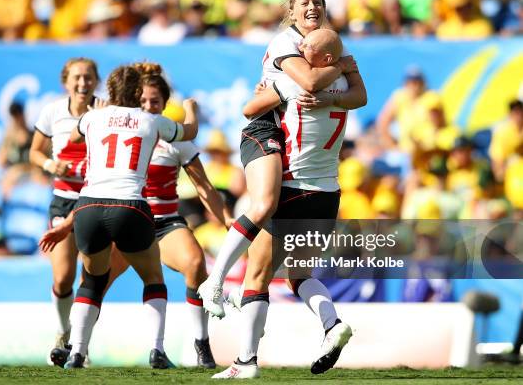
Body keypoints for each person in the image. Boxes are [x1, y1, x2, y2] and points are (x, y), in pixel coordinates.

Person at [40, 62, 231, 369]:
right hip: (133, 212)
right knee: (131, 280)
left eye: (155, 101)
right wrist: (192, 108)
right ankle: (101, 347)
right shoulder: (154, 125)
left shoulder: (98, 119)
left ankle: (200, 345)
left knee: (193, 264)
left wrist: (227, 221)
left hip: (151, 220)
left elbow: (204, 187)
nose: (148, 105)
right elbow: (190, 129)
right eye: (144, 100)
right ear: (136, 96)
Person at [198, 0, 366, 320]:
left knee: (277, 269)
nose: (312, 8)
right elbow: (307, 82)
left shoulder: (327, 44)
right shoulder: (286, 42)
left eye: (318, 2)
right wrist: (341, 65)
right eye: (304, 2)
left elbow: (359, 96)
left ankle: (254, 354)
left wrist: (335, 80)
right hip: (265, 127)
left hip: (294, 145)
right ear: (291, 11)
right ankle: (214, 281)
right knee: (263, 206)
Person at [212, 29, 358, 379]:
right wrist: (342, 68)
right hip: (328, 194)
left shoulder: (298, 86)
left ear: (323, 59)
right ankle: (332, 323)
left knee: (257, 275)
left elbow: (249, 110)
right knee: (299, 275)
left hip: (292, 188)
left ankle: (246, 361)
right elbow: (361, 96)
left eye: (308, 46)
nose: (300, 47)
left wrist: (268, 92)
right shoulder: (344, 90)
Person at [28, 57, 128, 362]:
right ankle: (63, 334)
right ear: (65, 81)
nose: (82, 83)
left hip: (96, 199)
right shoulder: (52, 112)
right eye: (77, 77)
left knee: (92, 277)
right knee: (62, 278)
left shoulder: (107, 111)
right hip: (63, 199)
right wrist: (49, 164)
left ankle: (78, 347)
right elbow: (34, 151)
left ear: (96, 80)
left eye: (88, 77)